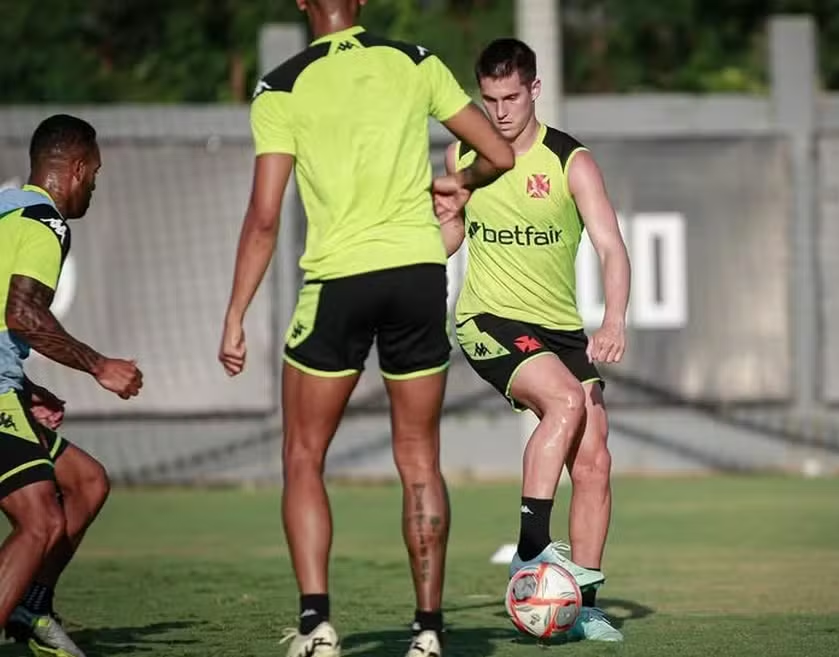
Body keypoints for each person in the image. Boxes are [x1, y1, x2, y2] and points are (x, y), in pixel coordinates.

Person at [217, 2, 514, 656]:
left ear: (303, 2)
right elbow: (499, 152)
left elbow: (264, 217)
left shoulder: (281, 86)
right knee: (420, 458)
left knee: (302, 454)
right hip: (417, 275)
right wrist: (459, 181)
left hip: (339, 281)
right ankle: (428, 632)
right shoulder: (413, 61)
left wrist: (236, 313)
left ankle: (317, 626)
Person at [434, 38, 631, 643]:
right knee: (566, 402)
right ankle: (531, 550)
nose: (499, 112)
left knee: (595, 458)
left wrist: (613, 319)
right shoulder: (463, 153)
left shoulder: (572, 161)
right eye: (489, 99)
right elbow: (450, 238)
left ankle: (582, 605)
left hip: (560, 329)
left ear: (535, 90)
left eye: (511, 97)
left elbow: (610, 247)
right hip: (487, 320)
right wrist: (431, 236)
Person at [0, 114, 144, 657]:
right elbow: (22, 312)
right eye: (96, 174)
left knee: (86, 482)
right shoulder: (46, 222)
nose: (94, 187)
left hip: (6, 386)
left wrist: (25, 387)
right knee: (39, 521)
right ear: (77, 169)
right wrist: (99, 365)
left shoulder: (7, 210)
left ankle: (30, 605)